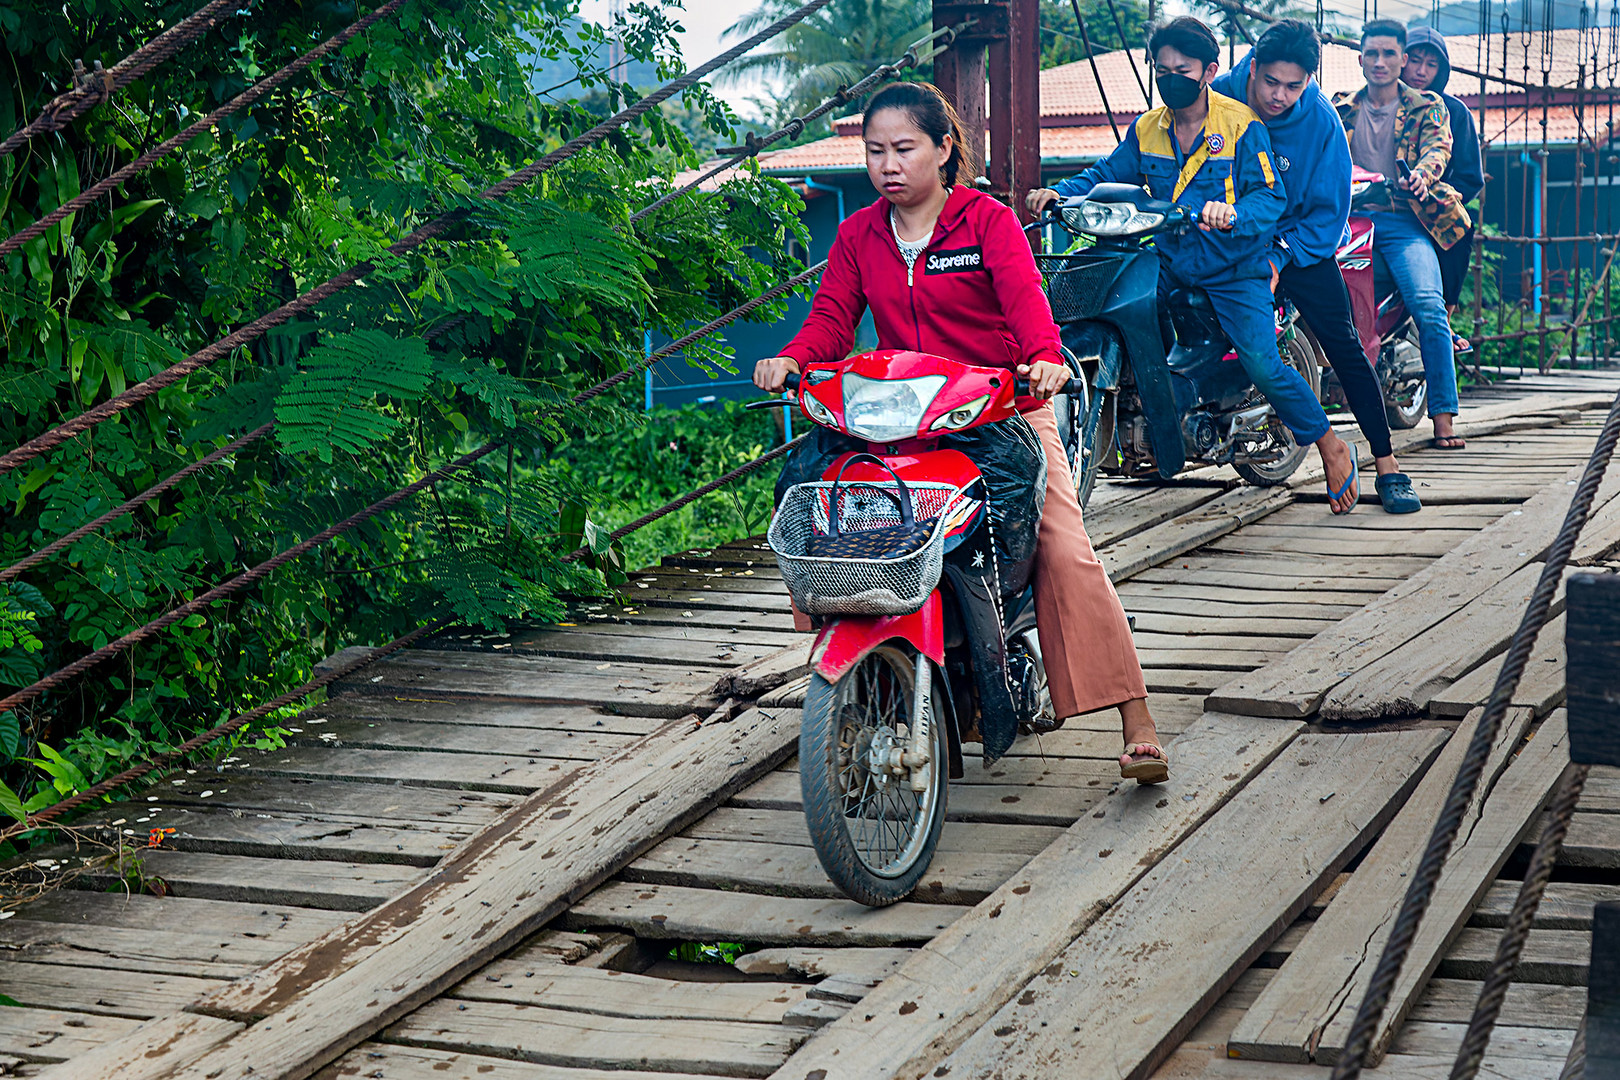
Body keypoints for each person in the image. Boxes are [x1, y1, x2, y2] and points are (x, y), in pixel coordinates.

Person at [753, 82, 1167, 784]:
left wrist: (1042, 361)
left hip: (1001, 406)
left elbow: (1027, 305)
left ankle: (1136, 717)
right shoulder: (858, 236)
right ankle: (864, 661)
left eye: (904, 149)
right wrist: (795, 358)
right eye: (875, 151)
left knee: (1062, 548)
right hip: (897, 415)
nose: (888, 164)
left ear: (944, 149)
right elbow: (830, 320)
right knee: (829, 509)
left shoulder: (986, 223)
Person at [1029, 16, 1361, 513]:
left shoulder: (1240, 125)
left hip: (1235, 269)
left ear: (1208, 71)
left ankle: (1329, 445)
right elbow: (1108, 172)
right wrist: (1061, 191)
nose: (1168, 78)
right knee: (1105, 295)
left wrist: (1234, 214)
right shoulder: (1148, 128)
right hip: (1170, 259)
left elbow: (1270, 197)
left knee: (1263, 364)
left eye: (1179, 69)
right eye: (1159, 69)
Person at [1210, 20, 1422, 514]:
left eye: (1294, 86)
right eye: (1270, 83)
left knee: (1345, 346)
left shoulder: (1323, 123)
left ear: (1309, 80)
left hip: (1299, 244)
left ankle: (1388, 465)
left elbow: (1330, 215)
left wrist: (1282, 254)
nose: (1279, 96)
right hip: (1231, 241)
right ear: (1253, 68)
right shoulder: (1218, 96)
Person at [1334, 19, 1473, 450]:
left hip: (1403, 222)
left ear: (1402, 59)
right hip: (1348, 224)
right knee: (1324, 308)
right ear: (1360, 59)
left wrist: (1423, 177)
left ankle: (1444, 418)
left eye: (1389, 54)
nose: (1380, 62)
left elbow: (1438, 149)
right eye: (1371, 54)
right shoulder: (1339, 109)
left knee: (1430, 309)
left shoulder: (1428, 106)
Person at [1403, 26, 1485, 356]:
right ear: (1403, 60)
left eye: (1431, 65)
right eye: (1416, 61)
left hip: (1432, 207)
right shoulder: (1377, 103)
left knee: (1459, 227)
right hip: (1380, 203)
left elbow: (1469, 177)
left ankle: (1445, 320)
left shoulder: (1455, 112)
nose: (1422, 71)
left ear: (1442, 71)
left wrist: (1435, 196)